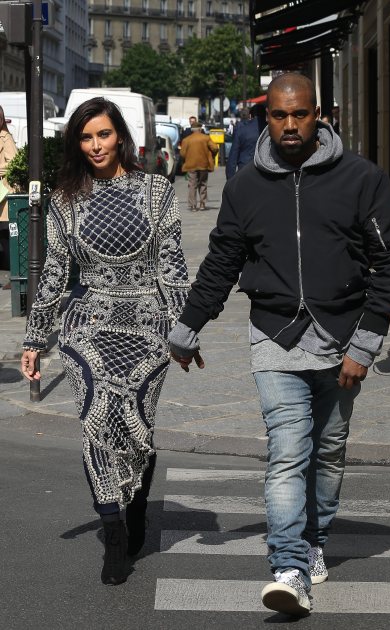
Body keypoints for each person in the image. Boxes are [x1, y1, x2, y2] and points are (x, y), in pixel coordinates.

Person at [168, 73, 390, 616]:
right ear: (266, 118)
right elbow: (221, 264)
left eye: (300, 114)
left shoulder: (361, 179)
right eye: (279, 116)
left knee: (327, 450)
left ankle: (316, 538)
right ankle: (288, 567)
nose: (290, 125)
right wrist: (186, 330)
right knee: (287, 452)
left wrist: (367, 341)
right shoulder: (245, 187)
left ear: (318, 114)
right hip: (274, 335)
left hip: (344, 337)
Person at [20, 97, 190, 586]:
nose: (95, 145)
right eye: (86, 137)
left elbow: (172, 264)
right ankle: (113, 530)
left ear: (121, 137)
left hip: (148, 323)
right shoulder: (63, 199)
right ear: (77, 142)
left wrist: (184, 331)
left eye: (104, 135)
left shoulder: (156, 189)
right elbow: (54, 273)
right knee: (97, 421)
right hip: (88, 323)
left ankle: (134, 505)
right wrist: (35, 339)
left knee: (136, 427)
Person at [180, 121, 218, 211]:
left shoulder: (186, 140)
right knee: (203, 183)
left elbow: (182, 154)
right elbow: (215, 148)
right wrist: (211, 156)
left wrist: (188, 158)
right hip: (203, 164)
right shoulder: (206, 138)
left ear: (192, 130)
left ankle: (193, 205)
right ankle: (202, 204)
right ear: (200, 129)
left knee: (192, 185)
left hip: (191, 165)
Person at [225, 103, 266, 179]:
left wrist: (230, 179)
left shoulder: (241, 130)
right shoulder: (271, 129)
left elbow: (233, 157)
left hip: (245, 172)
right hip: (266, 173)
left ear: (250, 116)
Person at [0, 105, 18, 279]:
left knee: (6, 232)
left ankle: (11, 272)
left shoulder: (5, 138)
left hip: (3, 192)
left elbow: (14, 161)